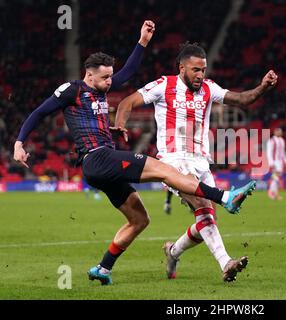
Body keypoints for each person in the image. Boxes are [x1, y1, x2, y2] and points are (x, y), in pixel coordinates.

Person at [13, 23, 256, 286]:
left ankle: (103, 268)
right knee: (165, 169)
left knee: (140, 219)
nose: (110, 82)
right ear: (89, 75)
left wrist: (142, 42)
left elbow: (128, 72)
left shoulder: (101, 87)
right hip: (96, 157)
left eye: (110, 77)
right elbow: (39, 112)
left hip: (102, 165)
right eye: (105, 78)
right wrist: (19, 142)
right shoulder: (71, 91)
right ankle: (225, 196)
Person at [115, 42, 278, 282]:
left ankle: (173, 252)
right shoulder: (164, 85)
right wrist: (120, 123)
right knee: (202, 204)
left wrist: (263, 87)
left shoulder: (209, 88)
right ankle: (226, 263)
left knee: (207, 221)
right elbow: (127, 102)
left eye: (203, 70)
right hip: (173, 161)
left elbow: (242, 100)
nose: (200, 75)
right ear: (181, 68)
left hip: (201, 161)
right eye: (195, 70)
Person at [266, 128, 286, 200]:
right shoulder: (271, 141)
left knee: (276, 178)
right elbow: (269, 152)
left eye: (281, 132)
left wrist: (285, 160)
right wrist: (271, 162)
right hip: (275, 162)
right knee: (276, 177)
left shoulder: (282, 140)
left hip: (280, 162)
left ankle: (273, 193)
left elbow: (283, 151)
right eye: (279, 132)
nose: (280, 133)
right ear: (275, 132)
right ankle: (272, 193)